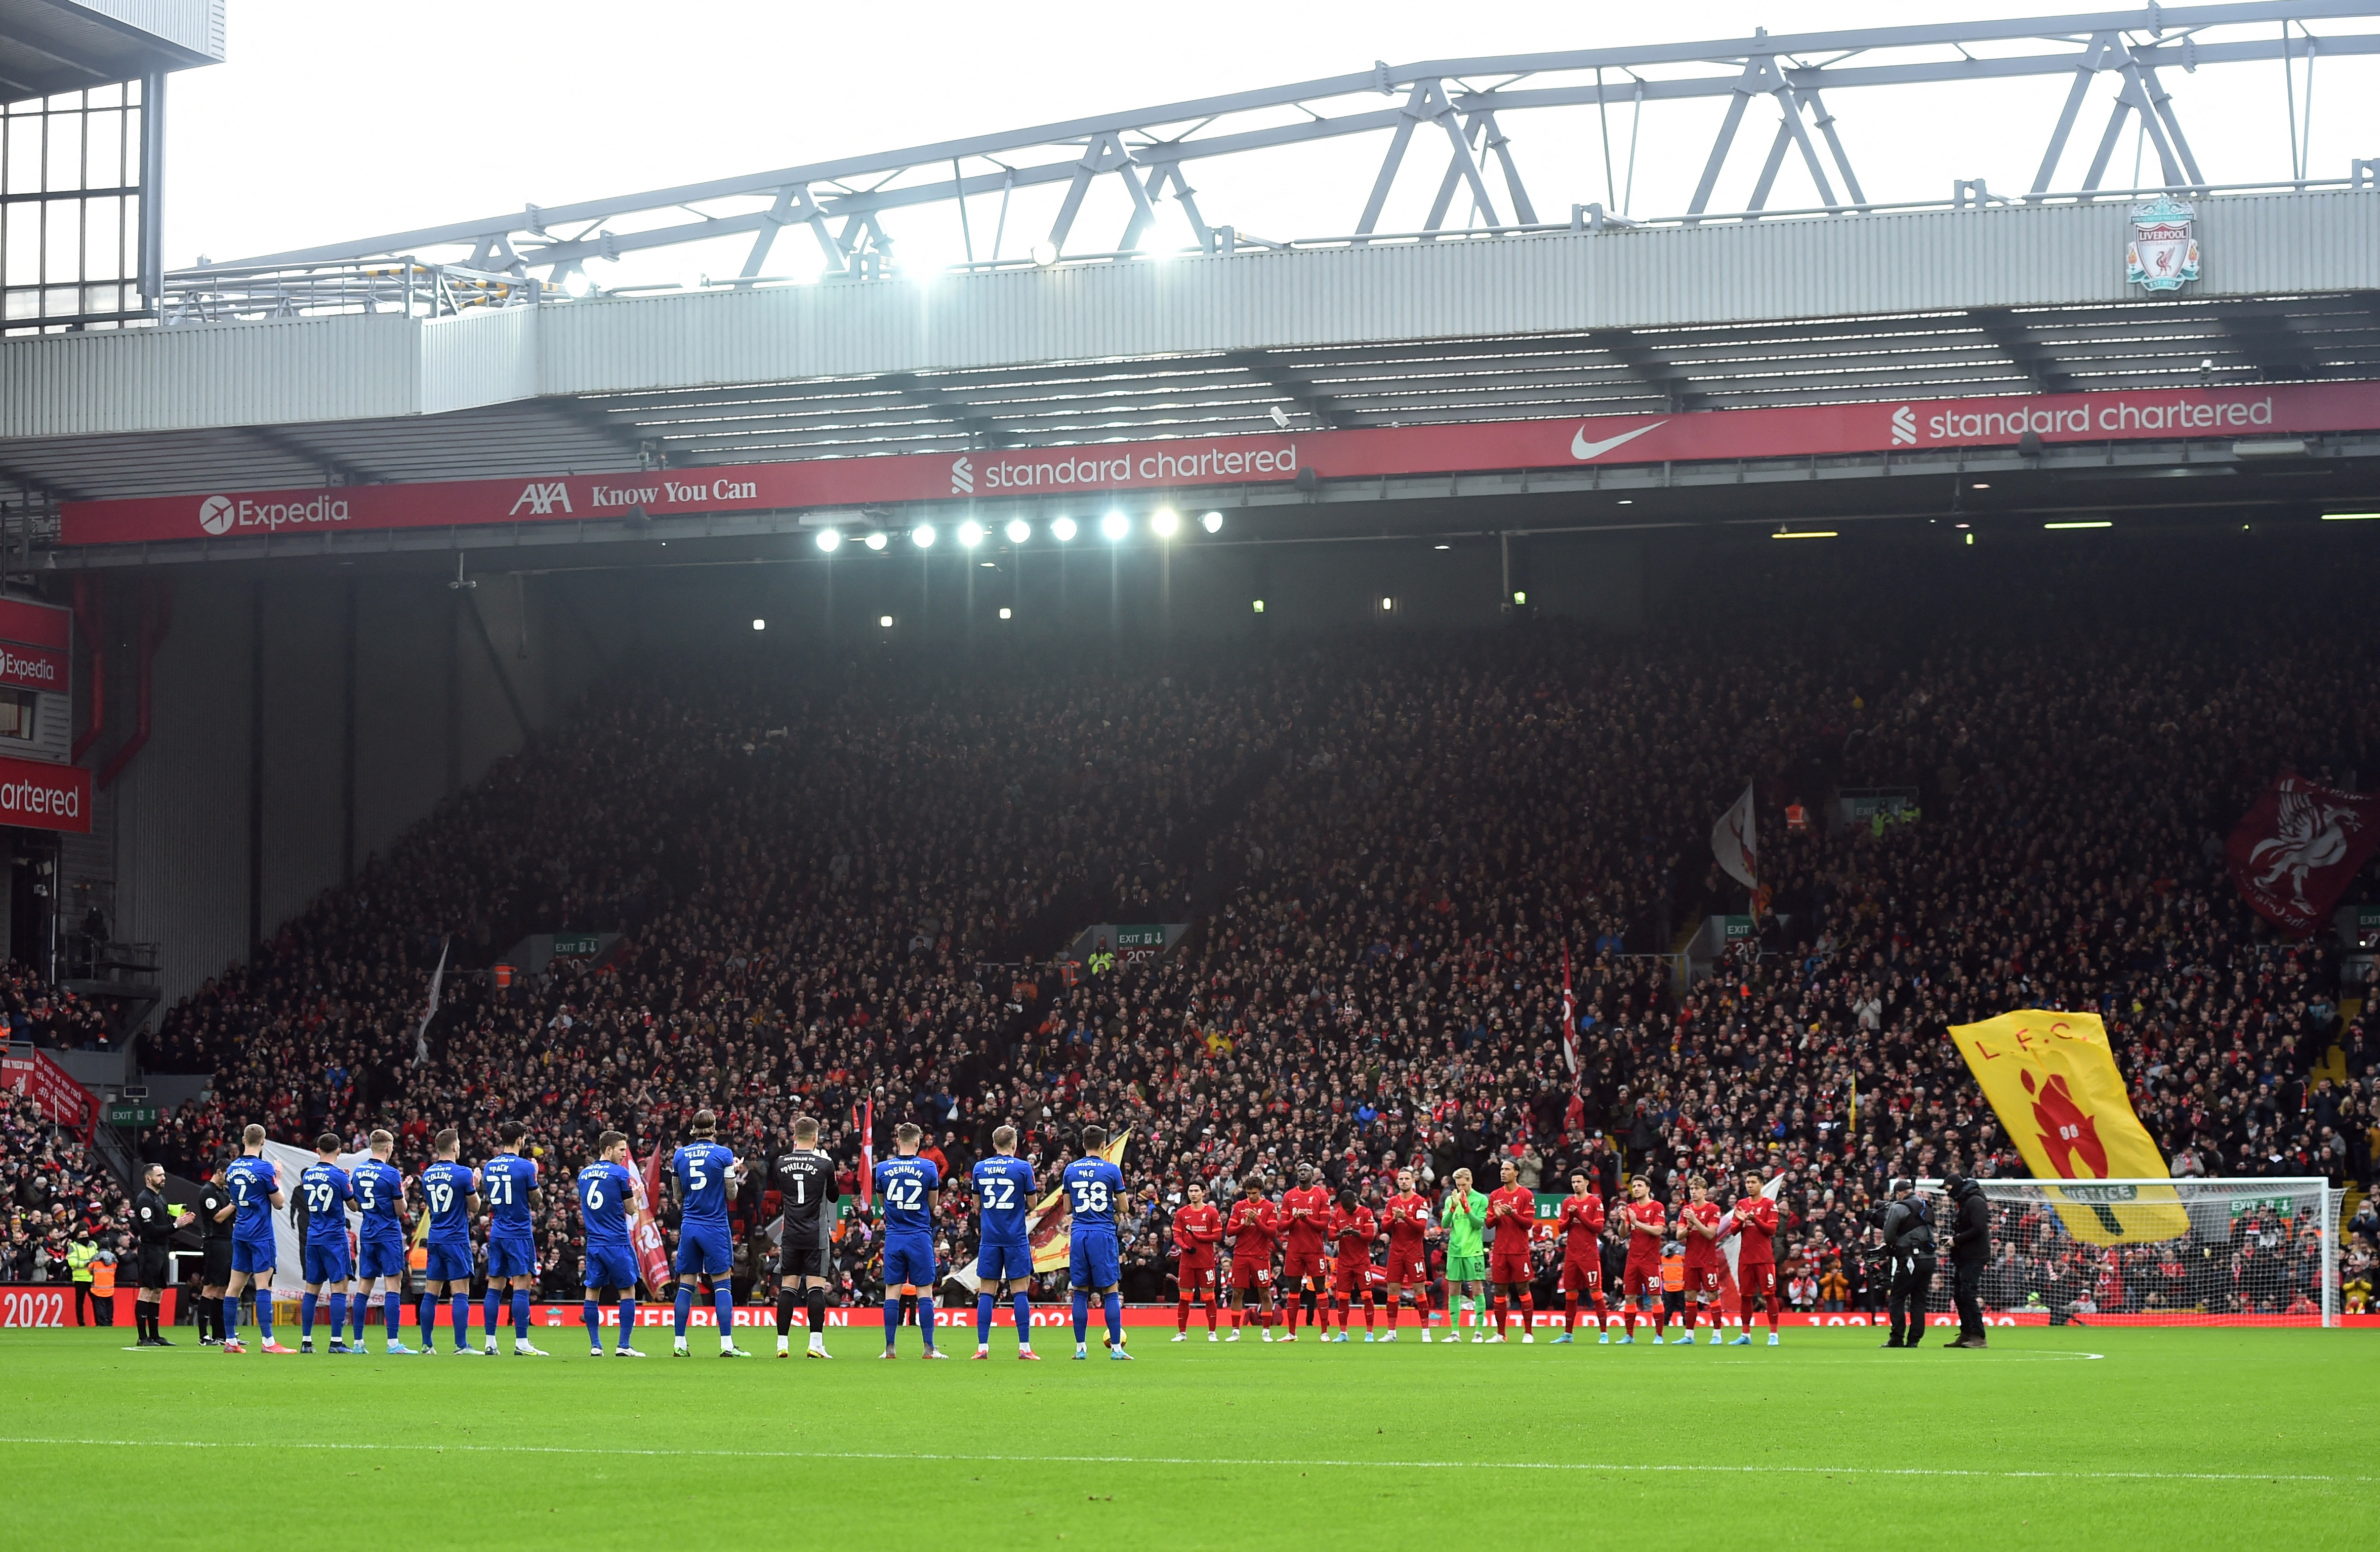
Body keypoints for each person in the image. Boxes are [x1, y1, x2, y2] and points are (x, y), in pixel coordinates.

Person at [671, 1108, 750, 1358]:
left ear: (693, 1128)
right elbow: (731, 1194)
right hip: (714, 1226)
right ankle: (727, 1345)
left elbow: (678, 1196)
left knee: (686, 1285)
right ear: (714, 1128)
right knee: (722, 1285)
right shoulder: (724, 1154)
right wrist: (733, 1172)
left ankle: (680, 1344)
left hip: (690, 1225)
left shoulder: (680, 1155)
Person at [771, 1115, 840, 1359]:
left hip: (790, 1234)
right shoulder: (825, 1165)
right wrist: (827, 1166)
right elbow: (834, 1197)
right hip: (816, 1234)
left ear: (794, 1137)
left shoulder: (780, 1163)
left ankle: (782, 1344)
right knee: (816, 1289)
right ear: (816, 1137)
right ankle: (815, 1344)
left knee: (788, 1287)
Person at [873, 1120, 943, 1359]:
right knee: (925, 1292)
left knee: (892, 1292)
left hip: (894, 1236)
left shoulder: (882, 1168)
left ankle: (890, 1348)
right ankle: (928, 1348)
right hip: (919, 1235)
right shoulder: (929, 1167)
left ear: (897, 1142)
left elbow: (883, 1204)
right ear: (918, 1142)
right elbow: (933, 1205)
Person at [478, 1120, 547, 1357]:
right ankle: (522, 1342)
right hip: (518, 1232)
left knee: (494, 1286)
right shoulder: (526, 1167)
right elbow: (536, 1201)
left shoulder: (490, 1166)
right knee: (522, 1286)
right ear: (520, 1140)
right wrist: (536, 1176)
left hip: (497, 1230)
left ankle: (490, 1342)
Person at [220, 1124, 291, 1355]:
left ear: (243, 1140)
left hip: (240, 1231)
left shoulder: (232, 1168)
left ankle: (230, 1340)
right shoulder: (264, 1168)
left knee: (234, 1288)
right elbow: (279, 1203)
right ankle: (269, 1342)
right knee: (264, 1287)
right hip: (260, 1234)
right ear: (264, 1142)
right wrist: (278, 1179)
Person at [1063, 1125, 1130, 1361]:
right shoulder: (1112, 1170)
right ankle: (1116, 1349)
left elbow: (1067, 1208)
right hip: (1102, 1233)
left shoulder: (1070, 1170)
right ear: (1103, 1145)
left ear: (1083, 1145)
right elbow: (1124, 1208)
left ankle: (1081, 1348)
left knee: (1080, 1292)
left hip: (1080, 1233)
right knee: (1111, 1291)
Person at [576, 1129, 645, 1357]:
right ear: (609, 1150)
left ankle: (596, 1346)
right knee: (627, 1290)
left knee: (592, 1291)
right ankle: (624, 1345)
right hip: (616, 1241)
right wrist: (637, 1195)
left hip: (594, 1242)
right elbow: (631, 1210)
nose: (624, 1155)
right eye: (621, 1150)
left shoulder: (584, 1174)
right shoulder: (620, 1174)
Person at [348, 1130, 413, 1353]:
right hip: (388, 1233)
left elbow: (355, 1204)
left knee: (364, 1285)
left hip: (368, 1232)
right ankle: (393, 1343)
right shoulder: (391, 1173)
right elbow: (400, 1210)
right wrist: (403, 1192)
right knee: (393, 1284)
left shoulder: (358, 1172)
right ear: (389, 1147)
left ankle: (358, 1343)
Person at [417, 1127, 481, 1356]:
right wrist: (476, 1184)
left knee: (431, 1292)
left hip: (435, 1237)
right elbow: (475, 1207)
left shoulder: (428, 1175)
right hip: (456, 1238)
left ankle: (427, 1345)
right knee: (460, 1291)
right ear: (455, 1147)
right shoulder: (463, 1173)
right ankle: (461, 1345)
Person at [295, 1133, 355, 1354]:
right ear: (339, 1151)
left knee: (311, 1290)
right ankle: (336, 1342)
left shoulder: (309, 1175)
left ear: (317, 1150)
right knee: (339, 1289)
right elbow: (354, 1207)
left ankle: (306, 1342)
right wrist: (349, 1184)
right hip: (334, 1237)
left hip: (313, 1237)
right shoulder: (339, 1175)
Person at [130, 1162, 193, 1347]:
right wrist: (176, 1225)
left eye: (164, 1174)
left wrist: (180, 1219)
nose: (164, 1178)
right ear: (148, 1179)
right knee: (147, 1290)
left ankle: (156, 1335)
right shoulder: (145, 1200)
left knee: (158, 1291)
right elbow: (150, 1230)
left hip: (162, 1249)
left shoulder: (161, 1198)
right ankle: (143, 1337)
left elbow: (163, 1225)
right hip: (150, 1250)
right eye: (159, 1175)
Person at [1877, 1176, 1936, 1350]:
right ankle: (1914, 1340)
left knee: (1897, 1297)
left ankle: (1897, 1338)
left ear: (1901, 1193)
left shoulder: (1899, 1207)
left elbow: (1888, 1236)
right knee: (1919, 1299)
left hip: (1910, 1259)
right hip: (1929, 1258)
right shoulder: (1925, 1205)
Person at [1552, 1171, 1610, 1345]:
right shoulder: (1568, 1203)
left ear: (1587, 1182)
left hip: (1589, 1255)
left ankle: (1604, 1334)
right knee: (1571, 1294)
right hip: (1571, 1256)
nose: (1576, 1185)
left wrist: (1579, 1215)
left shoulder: (1595, 1202)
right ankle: (1568, 1334)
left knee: (1596, 1292)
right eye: (1573, 1182)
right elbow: (1561, 1228)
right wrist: (1571, 1216)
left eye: (1579, 1181)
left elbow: (1598, 1228)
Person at [1276, 1162, 1331, 1342]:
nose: (1302, 1173)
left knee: (1320, 1288)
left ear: (1313, 1175)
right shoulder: (1289, 1196)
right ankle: (1292, 1333)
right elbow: (1282, 1226)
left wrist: (1305, 1218)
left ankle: (1324, 1332)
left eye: (1306, 1170)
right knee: (1293, 1289)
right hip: (1295, 1250)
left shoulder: (1321, 1195)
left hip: (1315, 1250)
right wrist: (1295, 1219)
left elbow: (1324, 1226)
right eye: (1300, 1170)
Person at [1485, 1159, 1537, 1343]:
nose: (1503, 1172)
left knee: (1523, 1288)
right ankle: (1501, 1334)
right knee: (1499, 1290)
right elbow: (1489, 1224)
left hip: (1519, 1250)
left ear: (1516, 1173)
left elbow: (1528, 1224)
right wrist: (1497, 1216)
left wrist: (1512, 1214)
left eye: (1507, 1169)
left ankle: (1528, 1333)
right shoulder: (1495, 1195)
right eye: (1502, 1169)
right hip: (1500, 1250)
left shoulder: (1526, 1194)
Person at [1728, 1169, 1781, 1347]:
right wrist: (1742, 1220)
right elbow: (1733, 1231)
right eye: (1748, 1183)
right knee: (1746, 1296)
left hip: (1764, 1258)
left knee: (1769, 1295)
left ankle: (1773, 1334)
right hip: (1746, 1259)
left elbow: (1771, 1231)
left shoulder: (1769, 1205)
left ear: (1761, 1185)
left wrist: (1754, 1219)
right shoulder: (1742, 1204)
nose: (1749, 1186)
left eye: (1753, 1182)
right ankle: (1745, 1334)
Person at [1223, 1174, 1279, 1342]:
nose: (1251, 1196)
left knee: (1265, 1293)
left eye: (1254, 1193)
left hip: (1260, 1256)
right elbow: (1230, 1231)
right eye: (1248, 1193)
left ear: (1260, 1191)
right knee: (1237, 1293)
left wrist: (1256, 1220)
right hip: (1241, 1255)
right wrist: (1244, 1225)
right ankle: (1235, 1331)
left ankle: (1266, 1331)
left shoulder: (1269, 1207)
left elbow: (1272, 1233)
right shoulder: (1239, 1206)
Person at [1379, 1167, 1432, 1342]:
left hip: (1414, 1252)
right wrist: (1395, 1218)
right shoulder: (1392, 1202)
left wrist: (1405, 1217)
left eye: (1407, 1179)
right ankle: (1392, 1333)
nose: (1403, 1182)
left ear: (1412, 1181)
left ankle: (1426, 1333)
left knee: (1419, 1291)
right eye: (1401, 1179)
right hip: (1396, 1252)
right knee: (1392, 1291)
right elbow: (1385, 1228)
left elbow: (1421, 1228)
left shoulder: (1420, 1202)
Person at [1440, 1167, 1489, 1344]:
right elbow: (1445, 1224)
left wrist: (1467, 1208)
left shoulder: (1481, 1199)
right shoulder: (1451, 1199)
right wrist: (1453, 1206)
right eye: (1458, 1185)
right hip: (1455, 1251)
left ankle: (1479, 1332)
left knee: (1477, 1290)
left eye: (1464, 1184)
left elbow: (1478, 1225)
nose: (1461, 1188)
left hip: (1473, 1251)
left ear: (1471, 1181)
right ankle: (1455, 1333)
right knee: (1453, 1292)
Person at [1618, 1174, 1669, 1344]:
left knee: (1655, 1297)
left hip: (1651, 1260)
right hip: (1633, 1260)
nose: (1636, 1189)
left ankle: (1659, 1336)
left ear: (1648, 1188)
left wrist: (1636, 1222)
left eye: (1640, 1185)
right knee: (1629, 1297)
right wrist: (1623, 1222)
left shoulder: (1657, 1207)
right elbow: (1623, 1235)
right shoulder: (1631, 1208)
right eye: (1634, 1186)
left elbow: (1658, 1231)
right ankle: (1629, 1335)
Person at [1325, 1187, 1380, 1342]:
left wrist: (1356, 1233)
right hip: (1344, 1263)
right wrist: (1341, 1234)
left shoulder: (1366, 1213)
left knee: (1367, 1296)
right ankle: (1343, 1333)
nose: (1347, 1209)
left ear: (1355, 1202)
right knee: (1342, 1297)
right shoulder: (1338, 1214)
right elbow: (1330, 1236)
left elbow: (1370, 1237)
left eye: (1349, 1206)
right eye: (1344, 1206)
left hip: (1362, 1262)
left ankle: (1370, 1333)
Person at [1943, 1173, 1991, 1350]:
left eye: (1949, 1190)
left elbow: (1978, 1228)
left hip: (1975, 1255)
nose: (1948, 1194)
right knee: (1960, 1295)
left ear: (1955, 1186)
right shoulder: (1966, 1201)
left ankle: (1979, 1335)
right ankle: (1967, 1333)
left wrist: (1957, 1240)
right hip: (1965, 1255)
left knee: (1968, 1294)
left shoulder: (1975, 1202)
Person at [1171, 1179, 1223, 1342]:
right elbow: (1177, 1236)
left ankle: (1212, 1332)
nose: (1193, 1194)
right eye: (1191, 1191)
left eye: (1196, 1191)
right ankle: (1182, 1333)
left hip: (1206, 1261)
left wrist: (1198, 1237)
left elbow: (1218, 1236)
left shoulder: (1212, 1213)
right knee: (1184, 1297)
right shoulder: (1181, 1213)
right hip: (1187, 1262)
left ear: (1204, 1192)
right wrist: (1186, 1247)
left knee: (1209, 1297)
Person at [1676, 1175, 1724, 1346]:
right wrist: (1689, 1226)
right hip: (1691, 1260)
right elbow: (1679, 1235)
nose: (1694, 1192)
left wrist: (1695, 1220)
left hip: (1708, 1261)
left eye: (1697, 1189)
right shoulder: (1686, 1210)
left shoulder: (1713, 1209)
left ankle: (1717, 1334)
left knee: (1712, 1295)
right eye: (1691, 1189)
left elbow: (1711, 1234)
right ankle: (1689, 1335)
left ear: (1705, 1191)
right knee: (1690, 1296)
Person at [195, 1161, 233, 1345]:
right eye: (228, 1174)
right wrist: (234, 1204)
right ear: (219, 1172)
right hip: (214, 1243)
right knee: (210, 1287)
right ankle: (203, 1335)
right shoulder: (208, 1192)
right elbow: (218, 1217)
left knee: (223, 1289)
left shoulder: (224, 1191)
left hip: (228, 1242)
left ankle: (221, 1334)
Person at [65, 1227, 97, 1327]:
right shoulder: (73, 1247)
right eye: (82, 1236)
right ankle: (81, 1323)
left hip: (93, 1278)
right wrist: (87, 1263)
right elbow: (72, 1262)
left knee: (97, 1301)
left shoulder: (94, 1244)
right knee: (80, 1302)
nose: (85, 1237)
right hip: (80, 1278)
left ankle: (99, 1322)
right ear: (78, 1236)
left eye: (86, 1235)